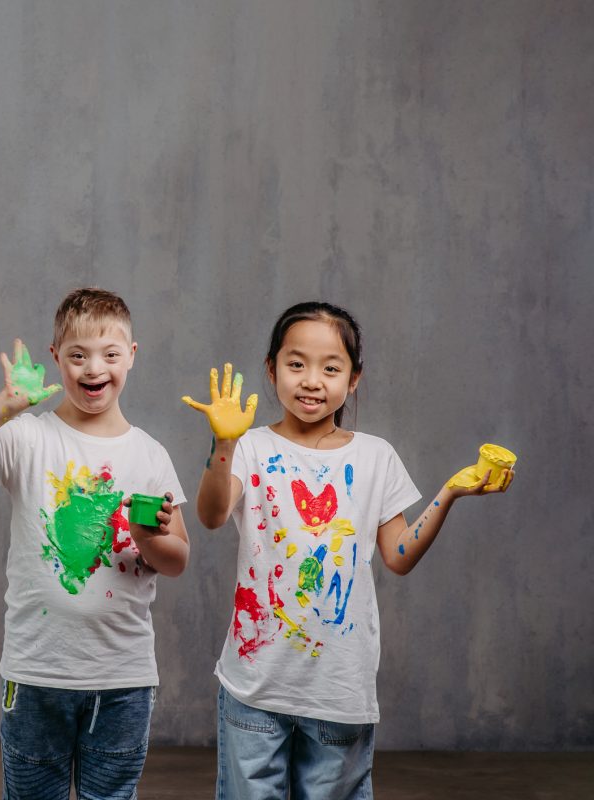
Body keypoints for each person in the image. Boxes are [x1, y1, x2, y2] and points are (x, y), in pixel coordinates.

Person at [185, 301, 514, 800]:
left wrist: (449, 492)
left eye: (330, 368)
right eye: (296, 364)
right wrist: (222, 444)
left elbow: (399, 555)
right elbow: (210, 515)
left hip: (338, 685)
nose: (312, 380)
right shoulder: (250, 446)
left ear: (353, 379)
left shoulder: (375, 456)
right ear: (271, 369)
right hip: (254, 682)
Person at [0, 287, 190, 800]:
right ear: (57, 358)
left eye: (110, 354)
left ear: (131, 357)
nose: (95, 368)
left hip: (123, 677)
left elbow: (177, 559)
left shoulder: (150, 454)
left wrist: (147, 537)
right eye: (78, 355)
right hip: (36, 672)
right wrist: (6, 405)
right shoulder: (29, 437)